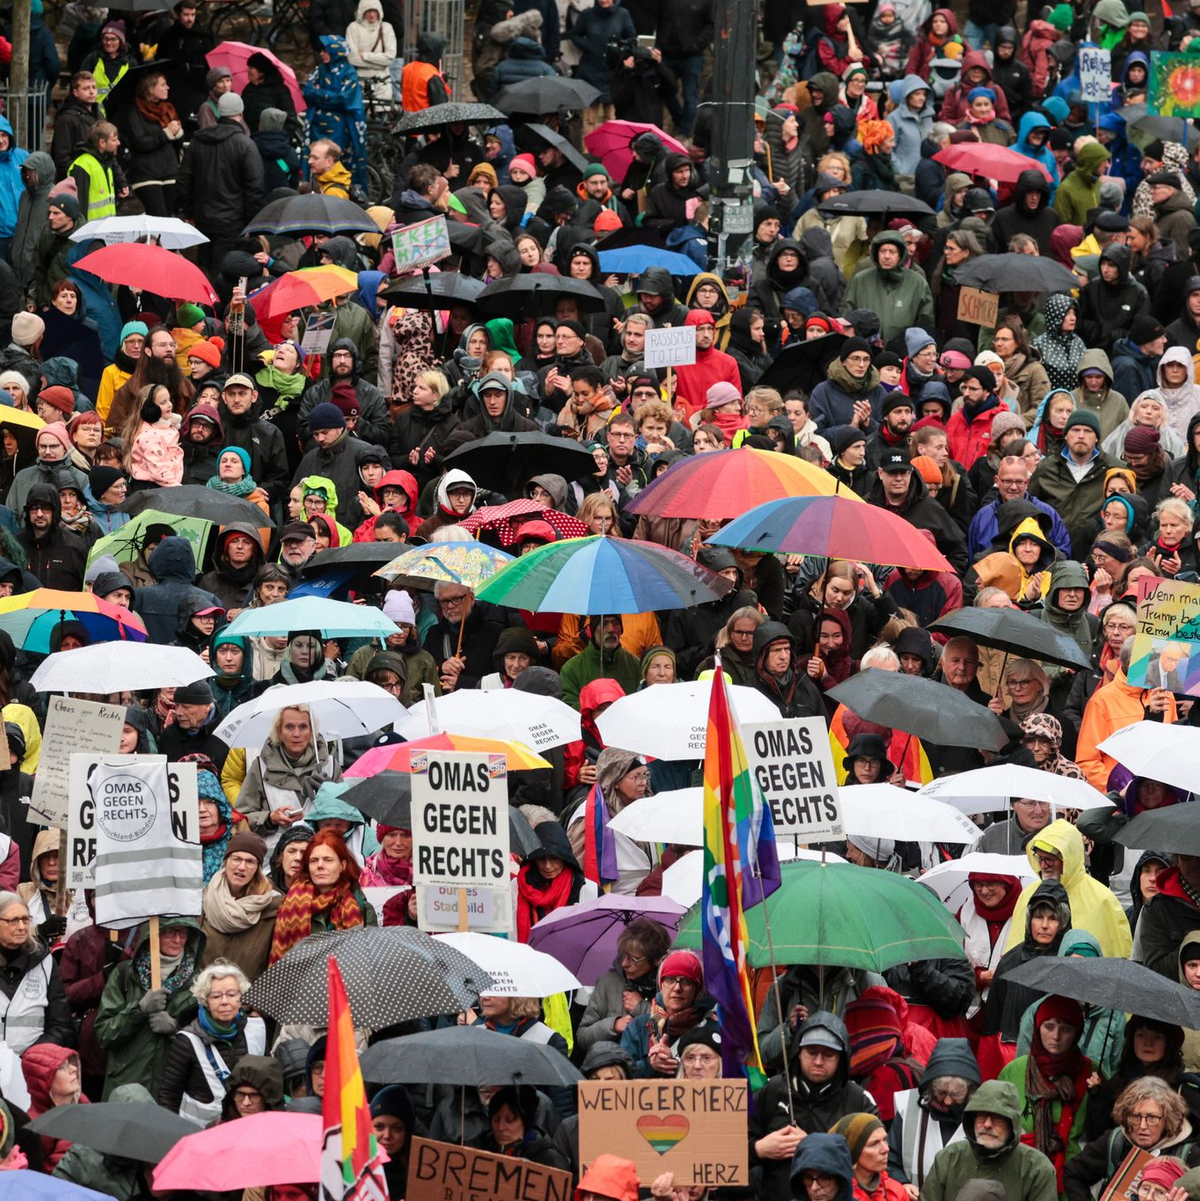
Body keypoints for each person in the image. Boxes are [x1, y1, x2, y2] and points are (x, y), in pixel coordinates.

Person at [750, 1010, 878, 1201]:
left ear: (841, 1058)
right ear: (798, 1053)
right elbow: (726, 1153)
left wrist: (810, 1146)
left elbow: (877, 1161)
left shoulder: (859, 1100)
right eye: (811, 1052)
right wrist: (759, 1149)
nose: (818, 1061)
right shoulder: (772, 1090)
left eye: (828, 1054)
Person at [94, 917, 205, 1099]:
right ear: (152, 934)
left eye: (183, 933)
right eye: (170, 932)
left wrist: (177, 1029)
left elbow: (210, 1039)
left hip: (174, 1089)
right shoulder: (125, 974)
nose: (177, 940)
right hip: (127, 1084)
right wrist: (138, 1011)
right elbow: (105, 1035)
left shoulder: (200, 983)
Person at [997, 997, 1090, 1189]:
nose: (1056, 1036)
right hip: (1020, 1175)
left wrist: (1097, 1094)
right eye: (1049, 1027)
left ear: (1077, 1032)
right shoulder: (1015, 1070)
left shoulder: (1091, 1074)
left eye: (1065, 1029)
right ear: (1038, 1028)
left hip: (1074, 1180)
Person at [157, 960, 264, 1125]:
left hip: (248, 1130)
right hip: (198, 1133)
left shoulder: (257, 1029)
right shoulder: (186, 1041)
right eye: (216, 996)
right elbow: (169, 1095)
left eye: (231, 994)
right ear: (205, 1001)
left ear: (241, 998)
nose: (225, 1002)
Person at [919, 1079, 1058, 1201]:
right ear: (972, 1120)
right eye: (981, 1117)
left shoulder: (1037, 1169)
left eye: (997, 1119)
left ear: (1012, 1124)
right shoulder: (948, 1158)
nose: (987, 1125)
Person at [1065, 1077, 1193, 1200]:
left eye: (1152, 1118)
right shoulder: (1115, 1141)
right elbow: (1073, 1174)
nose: (1143, 1126)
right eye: (1135, 1117)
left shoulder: (1188, 1154)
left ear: (1167, 1120)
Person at [268, 830, 376, 964]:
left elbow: (370, 957)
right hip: (300, 982)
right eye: (314, 860)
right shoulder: (289, 904)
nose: (320, 866)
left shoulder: (361, 906)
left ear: (342, 865)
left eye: (328, 860)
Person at [887, 1038, 982, 1192]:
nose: (948, 1101)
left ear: (970, 1091)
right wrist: (902, 1184)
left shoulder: (983, 1115)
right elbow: (889, 1160)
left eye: (956, 1094)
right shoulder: (908, 1106)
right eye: (941, 1093)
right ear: (930, 1086)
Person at [577, 917, 672, 1052]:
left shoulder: (670, 986)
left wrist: (641, 1008)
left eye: (634, 959)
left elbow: (672, 1030)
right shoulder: (608, 982)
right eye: (623, 955)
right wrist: (614, 1025)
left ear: (656, 960)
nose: (624, 963)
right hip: (611, 1067)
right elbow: (583, 1037)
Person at [620, 949, 717, 1078]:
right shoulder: (639, 1026)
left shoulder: (712, 1028)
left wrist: (676, 1066)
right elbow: (620, 1073)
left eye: (686, 981)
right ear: (661, 985)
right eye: (670, 980)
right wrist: (650, 1065)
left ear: (696, 989)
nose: (677, 988)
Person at [200, 831, 281, 984]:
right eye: (236, 859)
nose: (242, 867)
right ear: (226, 861)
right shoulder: (203, 900)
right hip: (203, 1000)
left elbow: (275, 965)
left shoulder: (273, 907)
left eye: (250, 861)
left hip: (248, 1003)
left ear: (258, 867)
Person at [0, 891, 72, 1054]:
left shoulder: (45, 961)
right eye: (13, 920)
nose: (21, 926)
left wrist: (31, 1058)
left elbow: (60, 1025)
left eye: (25, 919)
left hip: (31, 1067)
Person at [830, 1112, 909, 1201]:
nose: (886, 1149)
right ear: (853, 1152)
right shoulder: (831, 1194)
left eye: (885, 1140)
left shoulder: (896, 1192)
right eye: (874, 1144)